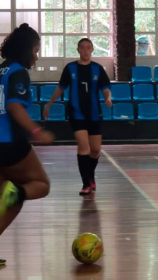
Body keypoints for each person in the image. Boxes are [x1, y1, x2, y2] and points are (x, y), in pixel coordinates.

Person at [0, 23, 54, 265]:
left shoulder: (0, 70)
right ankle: (17, 191)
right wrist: (36, 131)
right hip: (9, 144)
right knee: (39, 184)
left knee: (5, 201)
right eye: (35, 49)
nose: (37, 55)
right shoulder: (18, 72)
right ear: (26, 49)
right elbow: (14, 106)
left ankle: (14, 193)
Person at [43, 38, 112, 196]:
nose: (85, 51)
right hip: (76, 113)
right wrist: (49, 104)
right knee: (84, 148)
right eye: (82, 48)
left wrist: (108, 97)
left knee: (95, 150)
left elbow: (105, 87)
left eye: (88, 48)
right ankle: (85, 184)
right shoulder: (70, 68)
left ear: (92, 50)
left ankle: (90, 175)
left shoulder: (97, 68)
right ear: (78, 49)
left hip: (94, 113)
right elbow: (61, 87)